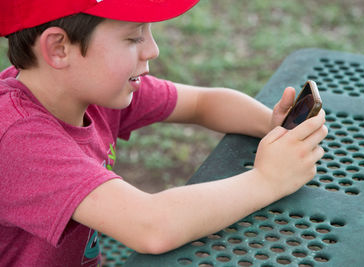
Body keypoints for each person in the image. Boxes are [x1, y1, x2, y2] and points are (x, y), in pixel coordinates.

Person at [0, 0, 328, 266]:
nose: (152, 50)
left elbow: (203, 102)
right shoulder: (16, 138)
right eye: (133, 37)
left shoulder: (89, 90)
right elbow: (153, 226)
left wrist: (271, 127)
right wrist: (267, 180)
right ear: (59, 48)